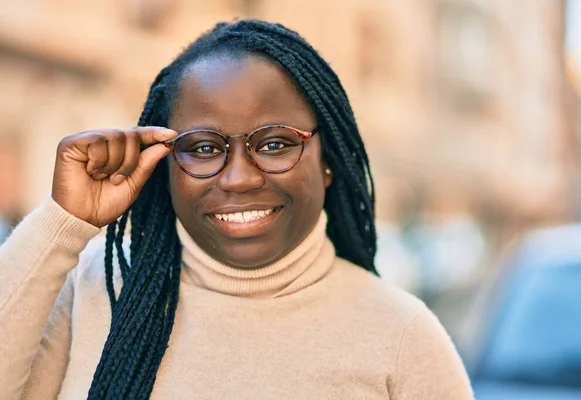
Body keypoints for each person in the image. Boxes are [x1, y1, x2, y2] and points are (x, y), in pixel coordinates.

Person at [0, 20, 473, 399]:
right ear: (166, 166)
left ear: (328, 162)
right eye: (204, 149)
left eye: (274, 144)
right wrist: (60, 225)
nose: (239, 177)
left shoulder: (402, 338)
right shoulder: (94, 291)